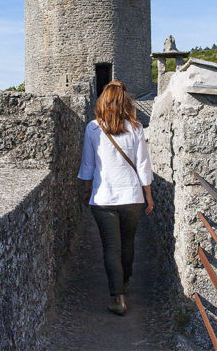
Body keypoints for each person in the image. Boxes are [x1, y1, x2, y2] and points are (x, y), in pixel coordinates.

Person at [77, 81, 154, 316]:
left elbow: (88, 165)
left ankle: (119, 297)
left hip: (104, 198)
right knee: (128, 243)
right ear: (125, 102)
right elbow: (143, 165)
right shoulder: (136, 128)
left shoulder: (92, 128)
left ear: (103, 101)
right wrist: (148, 196)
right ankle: (125, 280)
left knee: (111, 248)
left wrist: (87, 190)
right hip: (132, 196)